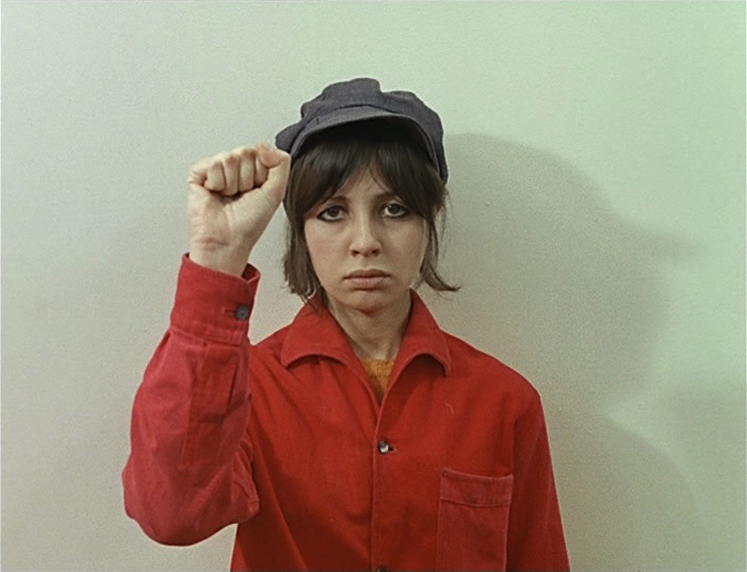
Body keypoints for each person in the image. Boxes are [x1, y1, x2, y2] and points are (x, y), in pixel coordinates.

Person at [123, 78, 569, 571]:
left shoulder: (504, 402)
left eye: (394, 210)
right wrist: (217, 259)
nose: (365, 241)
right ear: (301, 230)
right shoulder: (247, 388)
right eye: (332, 212)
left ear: (429, 221)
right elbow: (171, 515)